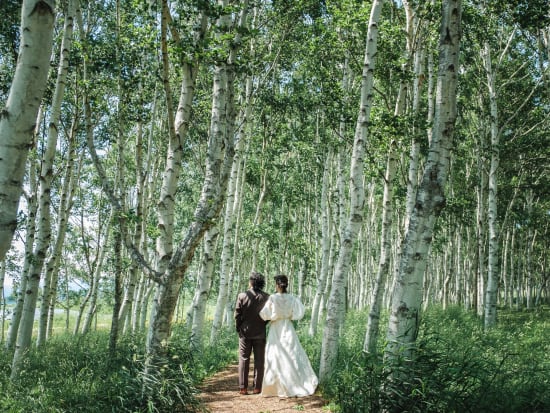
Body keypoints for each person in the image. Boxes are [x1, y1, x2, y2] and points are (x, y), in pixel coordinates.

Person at [259, 274, 318, 398]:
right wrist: (290, 316)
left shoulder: (273, 298)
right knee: (291, 354)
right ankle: (293, 383)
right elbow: (300, 312)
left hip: (276, 328)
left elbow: (264, 314)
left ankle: (275, 387)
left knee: (275, 355)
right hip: (288, 326)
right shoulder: (292, 298)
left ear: (277, 285)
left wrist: (271, 317)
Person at [234, 272, 270, 395]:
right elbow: (268, 316)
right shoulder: (267, 297)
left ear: (251, 282)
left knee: (244, 358)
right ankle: (257, 388)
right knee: (259, 360)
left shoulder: (242, 295)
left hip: (245, 332)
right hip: (260, 333)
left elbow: (237, 315)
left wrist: (238, 327)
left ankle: (243, 388)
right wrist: (262, 324)